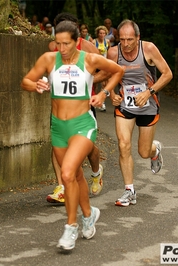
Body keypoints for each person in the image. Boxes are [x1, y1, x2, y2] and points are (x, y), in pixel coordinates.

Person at [21, 20, 124, 250]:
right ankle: (89, 214)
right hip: (58, 127)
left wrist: (104, 93)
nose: (62, 49)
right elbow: (25, 81)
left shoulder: (89, 59)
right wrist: (35, 85)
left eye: (66, 44)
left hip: (83, 124)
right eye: (57, 43)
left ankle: (71, 227)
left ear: (77, 41)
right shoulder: (49, 59)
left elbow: (118, 70)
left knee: (66, 174)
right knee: (75, 175)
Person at [107, 19, 173, 207]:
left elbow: (167, 74)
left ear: (138, 37)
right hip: (125, 105)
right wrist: (111, 94)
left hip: (148, 105)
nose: (126, 44)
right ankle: (129, 190)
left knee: (143, 152)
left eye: (130, 40)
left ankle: (155, 149)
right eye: (122, 40)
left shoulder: (149, 49)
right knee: (123, 144)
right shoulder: (113, 52)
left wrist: (149, 92)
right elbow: (107, 75)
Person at [47, 13, 106, 204]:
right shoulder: (53, 48)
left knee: (88, 149)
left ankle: (96, 172)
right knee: (59, 144)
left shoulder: (87, 47)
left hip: (84, 105)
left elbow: (106, 69)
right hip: (60, 108)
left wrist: (89, 81)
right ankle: (62, 187)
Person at [92, 25, 110, 112]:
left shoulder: (107, 42)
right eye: (100, 33)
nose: (102, 35)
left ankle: (102, 102)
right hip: (96, 64)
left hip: (104, 64)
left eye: (103, 33)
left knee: (104, 84)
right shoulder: (93, 42)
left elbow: (108, 52)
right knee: (94, 83)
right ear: (98, 34)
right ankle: (93, 99)